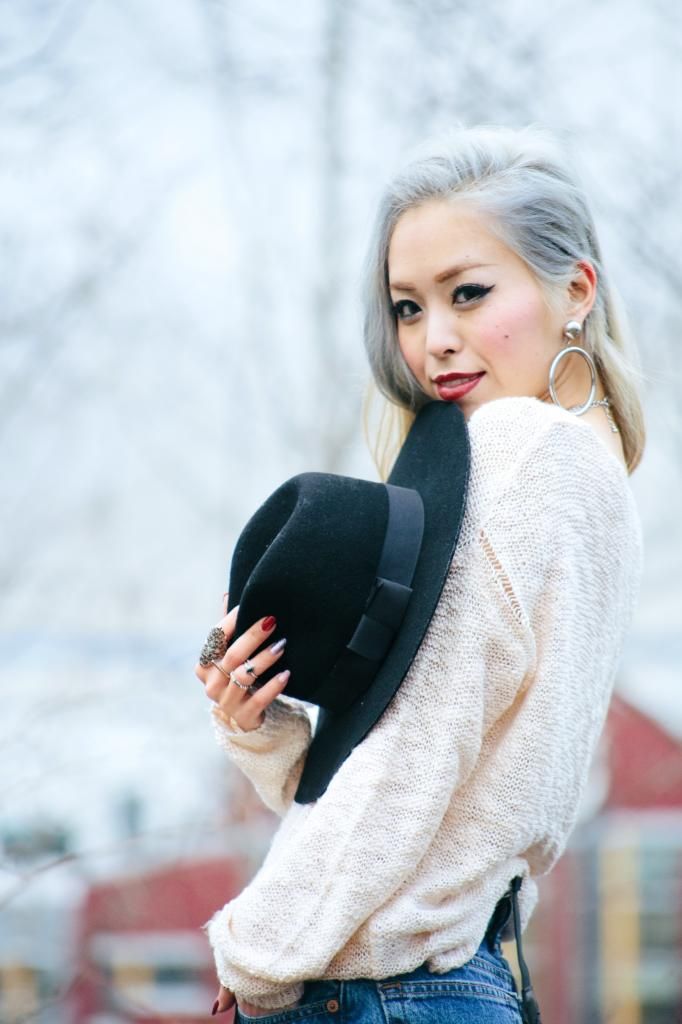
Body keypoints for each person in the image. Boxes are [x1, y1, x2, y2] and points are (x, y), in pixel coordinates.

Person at [194, 123, 645, 1022]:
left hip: (386, 989)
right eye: (407, 307)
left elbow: (420, 755)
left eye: (468, 293)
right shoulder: (592, 476)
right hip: (438, 980)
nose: (435, 339)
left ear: (575, 289)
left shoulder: (524, 450)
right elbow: (444, 789)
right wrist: (269, 733)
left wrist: (258, 949)